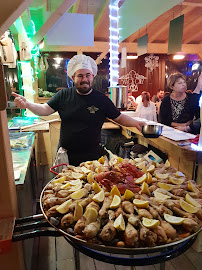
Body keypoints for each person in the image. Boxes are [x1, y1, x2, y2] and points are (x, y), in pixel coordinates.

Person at [12, 54, 145, 166]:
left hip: (92, 157)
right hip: (66, 155)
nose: (84, 79)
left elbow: (119, 117)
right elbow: (45, 109)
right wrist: (27, 104)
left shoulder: (101, 99)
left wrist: (135, 123)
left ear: (93, 76)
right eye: (80, 76)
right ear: (73, 77)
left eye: (88, 75)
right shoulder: (63, 95)